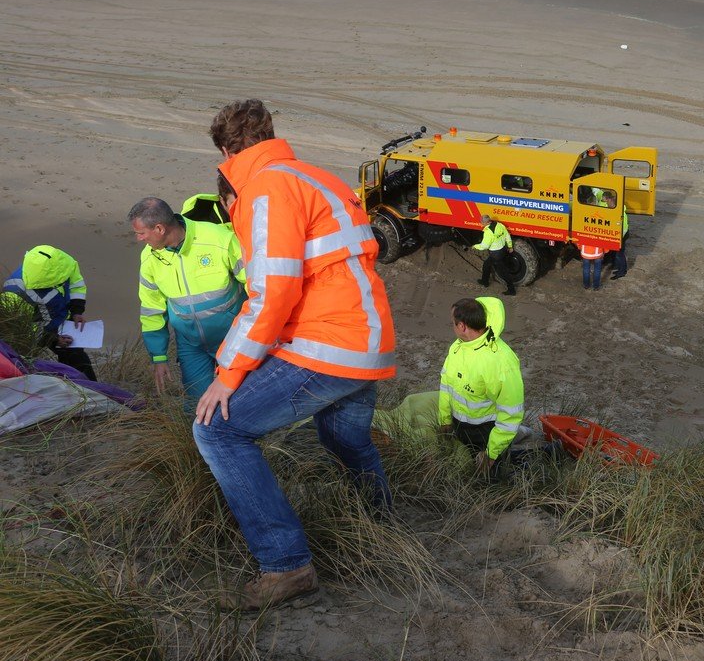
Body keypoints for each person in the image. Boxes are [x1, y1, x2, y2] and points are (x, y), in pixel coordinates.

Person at [193, 98, 397, 610]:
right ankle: (383, 525)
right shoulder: (313, 176)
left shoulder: (266, 187)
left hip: (327, 341)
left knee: (218, 428)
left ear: (225, 151)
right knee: (344, 437)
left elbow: (272, 288)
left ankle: (286, 566)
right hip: (366, 338)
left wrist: (228, 371)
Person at [129, 196, 247, 407]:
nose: (139, 239)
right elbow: (151, 309)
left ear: (159, 229)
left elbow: (256, 285)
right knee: (196, 405)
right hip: (191, 345)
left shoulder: (219, 239)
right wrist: (159, 357)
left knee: (241, 402)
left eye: (141, 233)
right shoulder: (149, 258)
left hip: (234, 340)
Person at [439, 297, 524, 481]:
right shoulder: (457, 348)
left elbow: (510, 415)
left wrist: (492, 454)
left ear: (462, 326)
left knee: (492, 479)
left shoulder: (502, 362)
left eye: (453, 323)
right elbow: (446, 384)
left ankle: (547, 451)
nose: (452, 327)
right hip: (461, 427)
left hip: (488, 433)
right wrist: (445, 420)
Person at [2, 245, 97, 380]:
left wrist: (77, 311)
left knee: (76, 357)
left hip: (62, 321)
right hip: (41, 332)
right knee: (26, 364)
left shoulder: (65, 263)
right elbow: (22, 330)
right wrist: (52, 338)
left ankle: (92, 388)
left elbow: (77, 285)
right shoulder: (14, 292)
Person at [474, 214, 515, 296]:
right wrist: (510, 246)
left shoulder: (488, 232)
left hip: (496, 254)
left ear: (485, 223)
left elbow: (484, 246)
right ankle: (484, 281)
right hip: (503, 250)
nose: (481, 224)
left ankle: (512, 290)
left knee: (503, 272)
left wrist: (475, 246)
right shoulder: (500, 225)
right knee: (486, 264)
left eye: (481, 223)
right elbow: (507, 235)